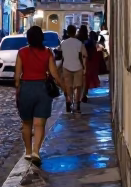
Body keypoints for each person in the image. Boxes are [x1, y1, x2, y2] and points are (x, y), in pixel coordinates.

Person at [14, 25, 63, 167]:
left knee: (26, 123)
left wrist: (18, 89)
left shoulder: (22, 52)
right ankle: (36, 151)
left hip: (26, 88)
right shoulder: (47, 52)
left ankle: (28, 151)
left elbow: (17, 75)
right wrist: (63, 86)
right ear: (41, 37)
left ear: (28, 38)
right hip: (42, 89)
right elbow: (54, 73)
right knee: (39, 123)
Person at [60, 24, 88, 113]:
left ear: (67, 32)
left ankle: (69, 101)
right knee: (78, 86)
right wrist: (84, 67)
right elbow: (85, 55)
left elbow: (61, 54)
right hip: (78, 67)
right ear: (75, 32)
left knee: (68, 86)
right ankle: (77, 104)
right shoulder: (79, 43)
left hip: (66, 66)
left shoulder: (63, 43)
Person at [84, 29, 102, 97]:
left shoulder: (86, 43)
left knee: (87, 77)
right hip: (93, 63)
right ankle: (85, 93)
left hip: (88, 62)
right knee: (92, 75)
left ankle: (84, 93)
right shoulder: (96, 44)